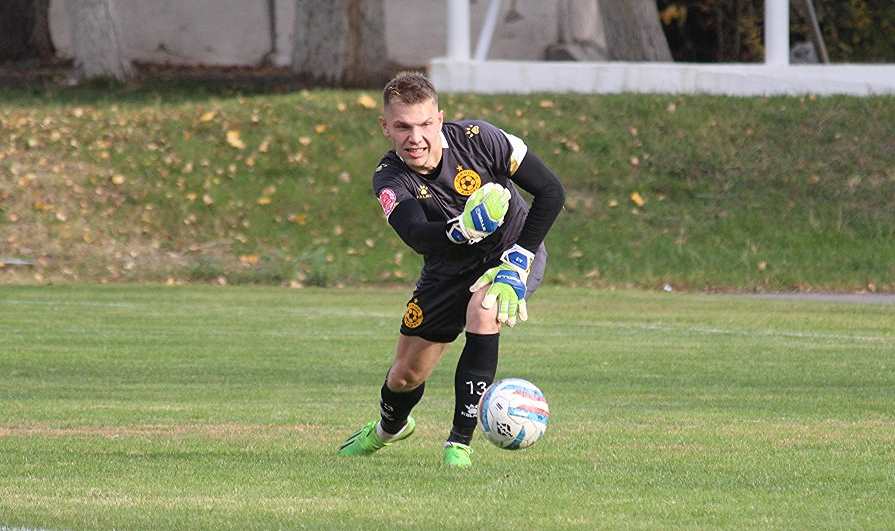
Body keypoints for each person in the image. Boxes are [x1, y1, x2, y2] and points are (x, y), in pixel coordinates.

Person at [337, 71, 565, 467]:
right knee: (405, 376)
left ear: (440, 120)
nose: (416, 138)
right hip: (447, 268)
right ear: (385, 127)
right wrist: (460, 231)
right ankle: (388, 430)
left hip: (510, 253)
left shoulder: (481, 139)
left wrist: (520, 259)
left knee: (484, 308)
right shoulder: (389, 177)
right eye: (403, 127)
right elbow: (415, 233)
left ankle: (458, 444)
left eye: (425, 124)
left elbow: (551, 191)